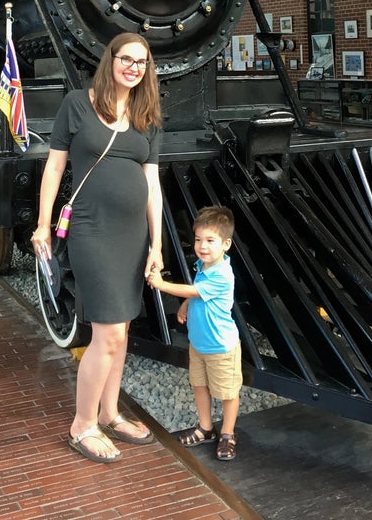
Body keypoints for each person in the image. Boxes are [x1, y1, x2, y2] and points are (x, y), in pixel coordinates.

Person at [31, 33, 164, 464]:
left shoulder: (148, 115)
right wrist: (42, 224)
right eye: (126, 58)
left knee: (121, 332)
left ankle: (109, 413)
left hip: (131, 237)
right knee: (106, 333)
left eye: (141, 62)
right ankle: (81, 424)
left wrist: (157, 244)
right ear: (110, 60)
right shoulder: (78, 104)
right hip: (90, 230)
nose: (133, 67)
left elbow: (152, 185)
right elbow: (54, 166)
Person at [147, 206, 241, 462]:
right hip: (199, 344)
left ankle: (228, 434)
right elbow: (198, 291)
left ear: (226, 244)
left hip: (221, 346)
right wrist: (187, 304)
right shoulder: (203, 266)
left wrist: (162, 285)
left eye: (210, 240)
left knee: (227, 392)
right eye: (198, 239)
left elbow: (197, 291)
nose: (202, 245)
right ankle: (206, 428)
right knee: (199, 385)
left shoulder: (222, 273)